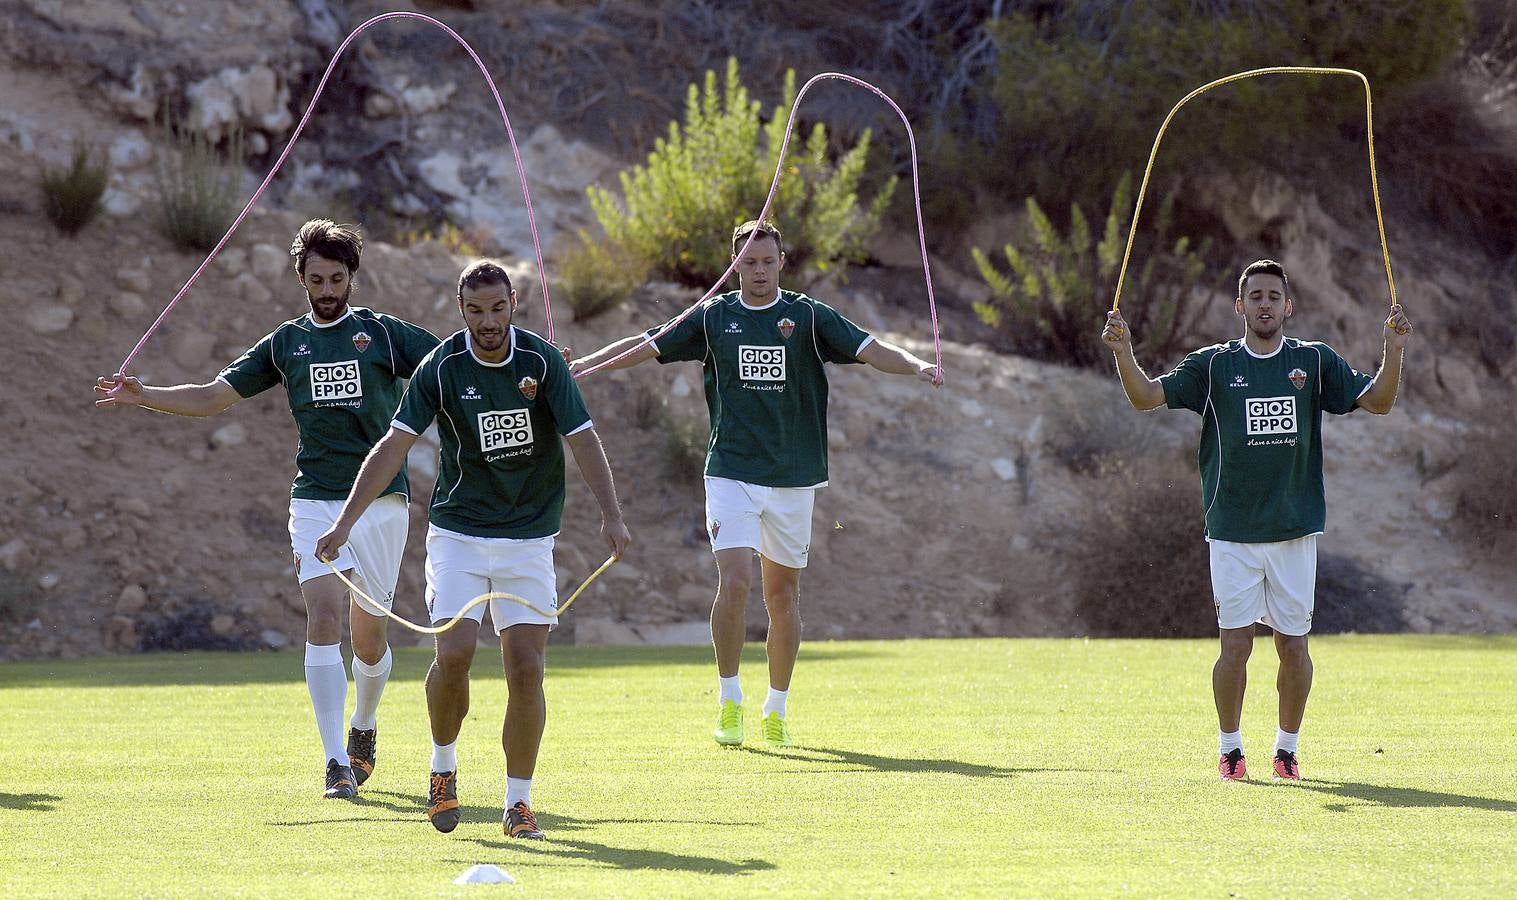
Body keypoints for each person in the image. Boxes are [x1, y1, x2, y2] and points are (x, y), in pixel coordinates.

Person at [94, 219, 440, 800]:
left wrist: (532, 362)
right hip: (315, 499)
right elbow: (212, 396)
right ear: (300, 280)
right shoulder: (285, 344)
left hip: (382, 500)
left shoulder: (383, 335)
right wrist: (144, 395)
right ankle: (335, 764)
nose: (326, 289)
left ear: (353, 276)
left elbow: (455, 368)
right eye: (315, 279)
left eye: (335, 278)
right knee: (322, 617)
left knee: (370, 641)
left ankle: (364, 725)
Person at [570, 219, 941, 749]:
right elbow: (647, 344)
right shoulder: (714, 317)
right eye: (749, 262)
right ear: (734, 264)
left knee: (782, 593)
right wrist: (580, 366)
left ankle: (778, 706)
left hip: (793, 477)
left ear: (781, 263)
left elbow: (871, 347)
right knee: (737, 580)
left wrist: (917, 365)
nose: (759, 270)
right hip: (730, 471)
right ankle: (728, 698)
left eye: (768, 261)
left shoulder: (807, 317)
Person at [316, 259, 630, 840]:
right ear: (461, 310)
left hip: (530, 538)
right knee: (456, 651)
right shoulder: (441, 366)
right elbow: (394, 444)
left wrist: (611, 515)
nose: (488, 322)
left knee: (526, 669)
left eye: (498, 308)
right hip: (458, 532)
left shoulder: (541, 361)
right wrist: (343, 523)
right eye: (476, 311)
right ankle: (442, 768)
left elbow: (582, 438)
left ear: (514, 304)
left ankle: (519, 803)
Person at [1101, 258, 1411, 781]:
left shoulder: (1313, 362)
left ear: (1288, 306)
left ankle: (1286, 750)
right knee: (1235, 645)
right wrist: (1124, 353)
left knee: (1293, 645)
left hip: (1293, 531)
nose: (1265, 304)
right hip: (1232, 531)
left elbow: (1378, 401)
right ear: (1239, 306)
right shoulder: (1214, 365)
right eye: (1256, 296)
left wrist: (1393, 349)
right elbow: (1146, 397)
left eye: (1274, 296)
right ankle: (1230, 749)